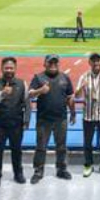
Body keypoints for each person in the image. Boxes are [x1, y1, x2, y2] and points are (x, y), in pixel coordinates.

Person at [29, 54, 76, 184]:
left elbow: (70, 97)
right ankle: (38, 170)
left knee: (61, 146)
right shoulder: (38, 77)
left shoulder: (65, 77)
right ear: (45, 63)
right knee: (41, 147)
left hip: (61, 118)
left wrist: (72, 112)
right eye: (50, 62)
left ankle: (61, 169)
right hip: (44, 119)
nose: (53, 65)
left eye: (55, 62)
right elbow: (30, 94)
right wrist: (40, 90)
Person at [0, 56, 30, 188]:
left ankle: (18, 174)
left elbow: (27, 103)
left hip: (16, 124)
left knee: (17, 150)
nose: (9, 70)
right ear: (2, 68)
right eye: (6, 68)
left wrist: (27, 120)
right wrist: (2, 94)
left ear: (15, 69)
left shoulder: (22, 83)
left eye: (11, 68)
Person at [76, 53, 100, 178]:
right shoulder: (83, 77)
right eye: (93, 61)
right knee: (87, 143)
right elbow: (76, 96)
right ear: (89, 63)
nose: (96, 63)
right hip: (88, 116)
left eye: (98, 61)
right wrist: (81, 88)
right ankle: (88, 165)